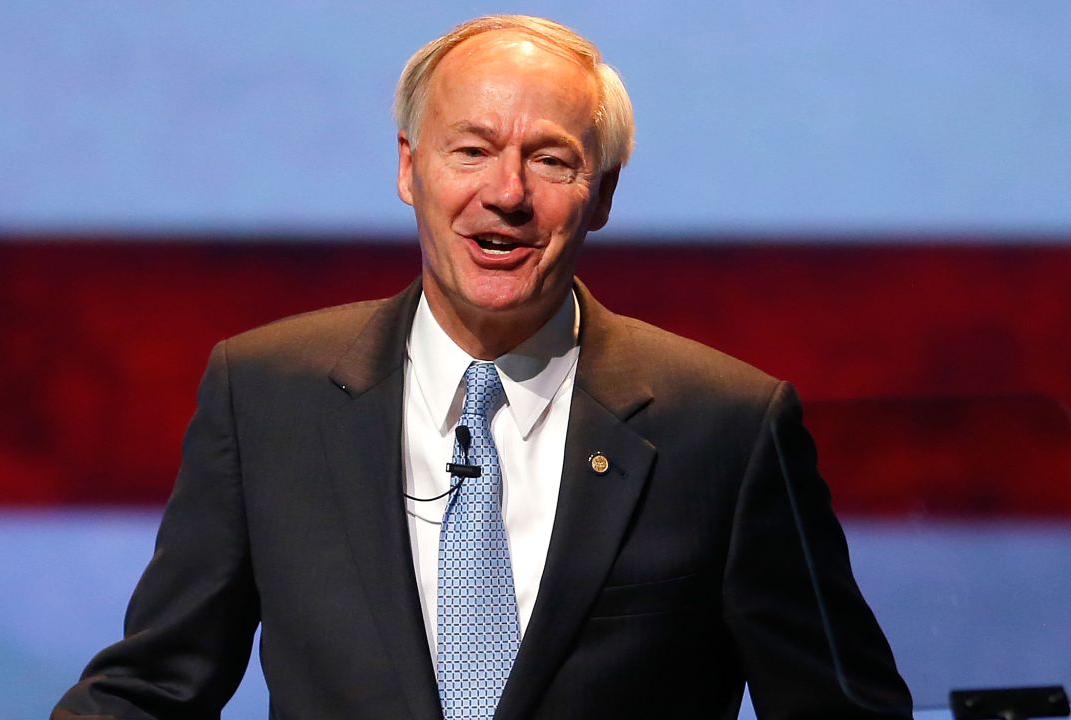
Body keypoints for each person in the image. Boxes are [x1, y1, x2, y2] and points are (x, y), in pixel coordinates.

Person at [53, 15, 912, 720]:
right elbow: (153, 689)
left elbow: (842, 708)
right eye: (471, 150)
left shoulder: (725, 425)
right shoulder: (266, 393)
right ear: (408, 168)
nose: (506, 192)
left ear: (603, 194)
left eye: (550, 159)